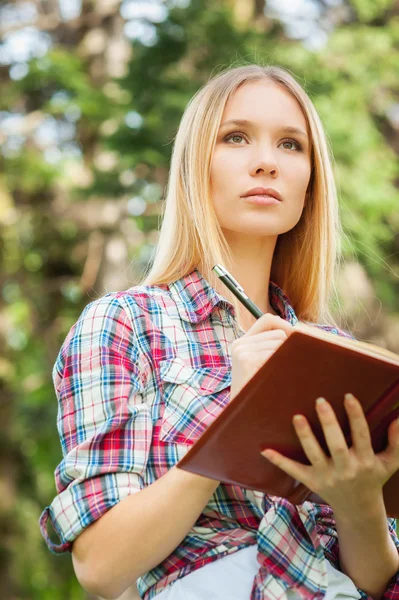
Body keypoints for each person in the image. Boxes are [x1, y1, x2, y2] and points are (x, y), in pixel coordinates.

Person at [39, 64, 399, 600]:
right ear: (195, 167)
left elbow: (373, 581)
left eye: (290, 145)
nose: (266, 162)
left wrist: (359, 500)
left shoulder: (334, 354)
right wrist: (238, 416)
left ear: (310, 181)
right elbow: (101, 565)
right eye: (236, 137)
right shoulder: (124, 325)